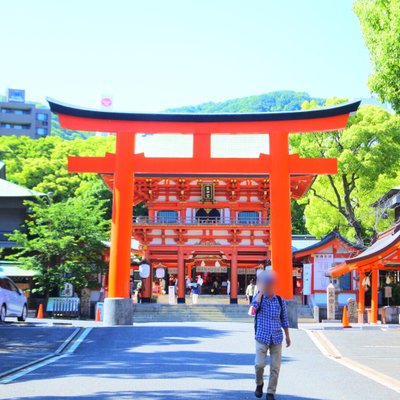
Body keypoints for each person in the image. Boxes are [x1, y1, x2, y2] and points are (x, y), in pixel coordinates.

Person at [251, 270, 291, 400]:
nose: (268, 287)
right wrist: (261, 292)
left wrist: (287, 336)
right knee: (259, 365)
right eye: (266, 285)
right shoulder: (259, 298)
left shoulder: (280, 301)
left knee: (275, 367)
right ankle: (259, 384)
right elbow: (253, 309)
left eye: (270, 285)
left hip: (276, 337)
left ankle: (270, 392)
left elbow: (284, 319)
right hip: (261, 336)